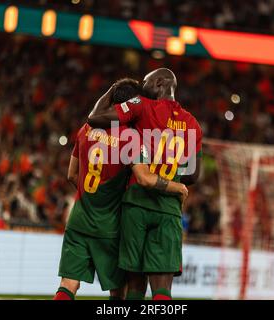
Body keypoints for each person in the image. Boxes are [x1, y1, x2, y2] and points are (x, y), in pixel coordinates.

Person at [54, 78, 188, 300]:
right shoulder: (130, 138)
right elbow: (144, 177)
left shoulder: (86, 129)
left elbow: (72, 175)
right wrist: (177, 187)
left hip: (78, 220)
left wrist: (93, 197)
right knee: (118, 292)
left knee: (68, 284)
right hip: (110, 227)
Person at [88, 68, 203, 300]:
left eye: (146, 81)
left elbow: (95, 118)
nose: (142, 86)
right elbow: (192, 175)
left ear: (159, 82)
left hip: (137, 204)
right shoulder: (193, 124)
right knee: (162, 290)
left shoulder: (142, 105)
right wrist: (169, 172)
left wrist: (114, 88)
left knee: (135, 287)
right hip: (169, 209)